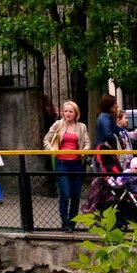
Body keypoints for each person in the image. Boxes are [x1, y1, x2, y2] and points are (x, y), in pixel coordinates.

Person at [44, 99, 91, 231]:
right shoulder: (58, 124)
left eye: (70, 111)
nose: (68, 114)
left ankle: (72, 222)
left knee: (76, 195)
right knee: (65, 193)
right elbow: (46, 140)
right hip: (62, 163)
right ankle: (65, 222)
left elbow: (87, 142)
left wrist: (84, 151)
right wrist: (52, 150)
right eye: (66, 111)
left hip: (76, 163)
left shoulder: (82, 127)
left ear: (76, 113)